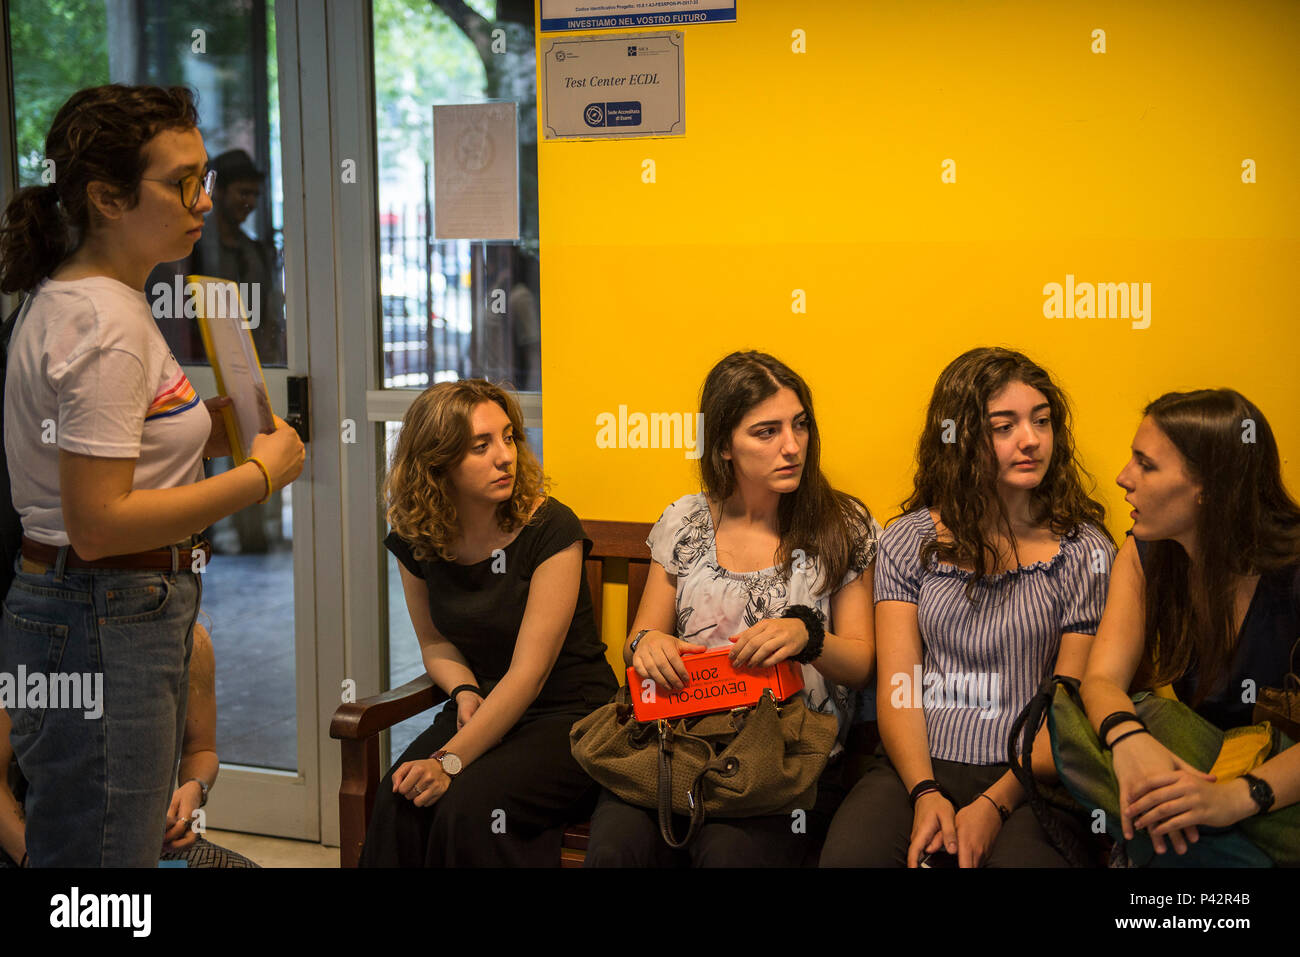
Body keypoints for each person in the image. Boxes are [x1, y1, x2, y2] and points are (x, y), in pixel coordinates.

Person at [0, 84, 304, 866]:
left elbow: (124, 448)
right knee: (103, 876)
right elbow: (99, 523)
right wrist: (261, 478)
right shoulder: (106, 324)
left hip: (106, 609)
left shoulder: (98, 302)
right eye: (182, 183)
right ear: (107, 198)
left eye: (204, 176)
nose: (202, 201)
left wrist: (218, 425)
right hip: (102, 610)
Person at [821, 346, 1116, 868]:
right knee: (849, 859)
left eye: (1042, 421)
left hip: (1032, 775)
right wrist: (923, 792)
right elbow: (899, 687)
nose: (1031, 440)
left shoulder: (1084, 552)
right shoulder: (908, 540)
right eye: (1004, 427)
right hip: (917, 762)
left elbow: (1067, 712)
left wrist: (995, 804)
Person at [584, 351, 879, 868]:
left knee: (728, 858)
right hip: (676, 746)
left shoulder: (843, 526)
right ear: (723, 445)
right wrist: (648, 646)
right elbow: (639, 643)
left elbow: (860, 665)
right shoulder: (686, 521)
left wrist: (808, 637)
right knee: (614, 849)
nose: (792, 446)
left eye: (800, 425)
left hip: (782, 761)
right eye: (766, 432)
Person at [359, 379, 617, 866]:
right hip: (480, 706)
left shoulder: (550, 529)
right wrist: (463, 690)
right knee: (398, 800)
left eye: (509, 437)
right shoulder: (417, 536)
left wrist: (448, 760)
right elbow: (435, 642)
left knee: (468, 807)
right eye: (482, 445)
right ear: (436, 463)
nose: (506, 456)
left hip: (566, 716)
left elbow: (529, 675)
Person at [1080, 389, 1300, 860]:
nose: (1123, 478)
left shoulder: (1294, 568)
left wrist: (1238, 797)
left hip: (1276, 794)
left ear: (1209, 487)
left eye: (1146, 464)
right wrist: (1128, 739)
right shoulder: (1144, 555)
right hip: (1209, 778)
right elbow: (1100, 679)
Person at [1, 621, 258, 868]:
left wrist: (194, 788)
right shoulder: (38, 643)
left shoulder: (188, 639)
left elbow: (201, 750)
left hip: (145, 838)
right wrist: (30, 859)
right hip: (38, 840)